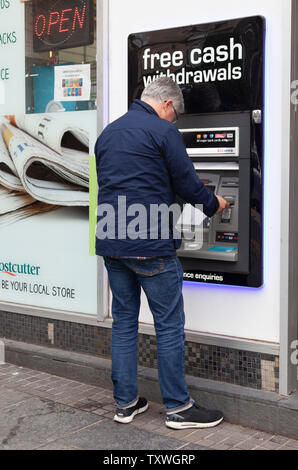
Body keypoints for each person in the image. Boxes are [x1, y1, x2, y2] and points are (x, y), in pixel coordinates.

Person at [94, 77, 229, 430]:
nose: (173, 122)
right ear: (168, 104)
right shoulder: (163, 131)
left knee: (124, 322)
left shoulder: (108, 133)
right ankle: (179, 408)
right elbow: (187, 183)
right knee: (169, 326)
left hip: (112, 241)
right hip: (150, 243)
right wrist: (215, 203)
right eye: (175, 116)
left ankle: (125, 404)